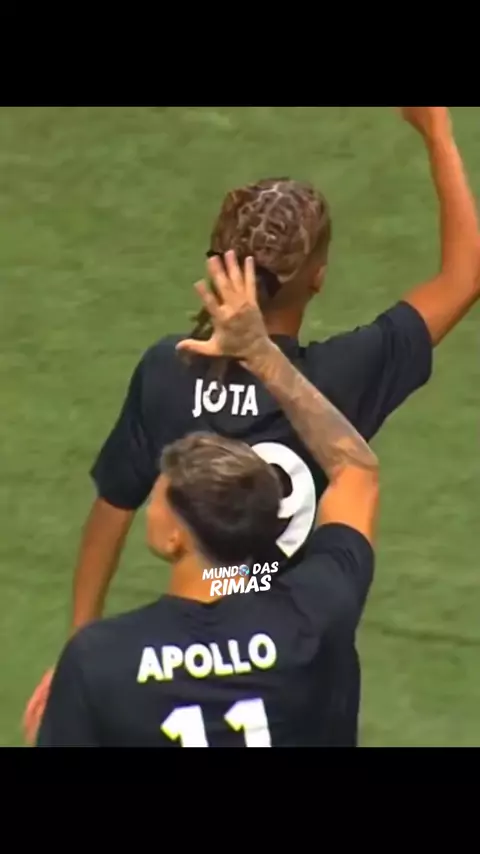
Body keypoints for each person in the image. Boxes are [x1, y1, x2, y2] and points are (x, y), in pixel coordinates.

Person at [25, 106, 480, 744]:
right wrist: (437, 134)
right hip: (296, 660)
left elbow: (112, 507)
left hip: (177, 654)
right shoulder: (342, 379)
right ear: (317, 279)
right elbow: (465, 275)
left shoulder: (168, 371)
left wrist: (80, 639)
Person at [37, 252, 379, 747]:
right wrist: (263, 355)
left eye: (160, 493)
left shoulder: (101, 663)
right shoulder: (317, 612)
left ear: (176, 536)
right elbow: (355, 470)